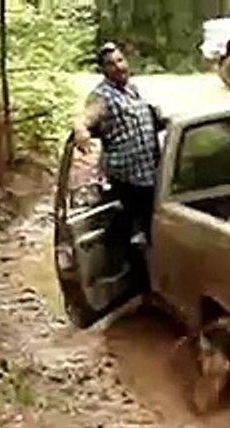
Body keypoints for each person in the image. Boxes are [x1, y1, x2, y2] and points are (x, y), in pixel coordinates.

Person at [73, 42, 162, 271]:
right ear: (104, 70)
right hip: (128, 178)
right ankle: (122, 273)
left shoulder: (131, 88)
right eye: (111, 64)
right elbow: (85, 118)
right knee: (138, 226)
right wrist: (81, 131)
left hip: (149, 172)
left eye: (120, 61)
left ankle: (143, 270)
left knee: (150, 227)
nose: (118, 67)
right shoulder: (103, 96)